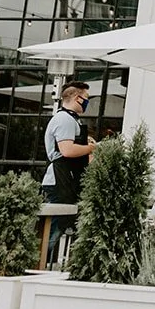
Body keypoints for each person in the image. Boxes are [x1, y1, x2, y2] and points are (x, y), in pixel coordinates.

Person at [41, 81, 97, 264]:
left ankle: (48, 264)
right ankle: (41, 264)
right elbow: (67, 150)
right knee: (54, 229)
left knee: (60, 227)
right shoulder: (64, 119)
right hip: (60, 181)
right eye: (86, 99)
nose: (87, 103)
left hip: (67, 179)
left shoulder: (71, 120)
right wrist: (90, 148)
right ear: (76, 97)